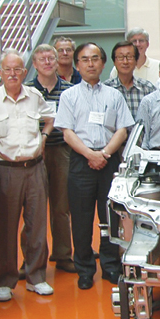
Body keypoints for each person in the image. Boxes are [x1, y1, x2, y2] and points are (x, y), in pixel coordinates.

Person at [0, 50, 55, 301]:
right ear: (0, 72)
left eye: (17, 69)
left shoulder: (34, 96)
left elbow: (50, 118)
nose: (13, 74)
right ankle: (5, 281)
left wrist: (44, 138)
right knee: (6, 227)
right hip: (4, 170)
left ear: (24, 72)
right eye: (7, 69)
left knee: (37, 225)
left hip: (35, 168)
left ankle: (36, 277)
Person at [54, 43, 134, 289]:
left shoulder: (114, 95)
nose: (90, 64)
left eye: (95, 59)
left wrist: (104, 154)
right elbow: (67, 132)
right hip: (80, 161)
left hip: (109, 161)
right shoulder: (68, 96)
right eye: (85, 59)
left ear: (102, 63)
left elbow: (122, 129)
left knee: (110, 217)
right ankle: (85, 268)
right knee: (81, 217)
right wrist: (90, 154)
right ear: (78, 64)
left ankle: (110, 265)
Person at [24, 44, 76, 274]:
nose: (47, 62)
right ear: (34, 64)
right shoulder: (26, 91)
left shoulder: (69, 90)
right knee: (32, 209)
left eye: (51, 58)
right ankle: (32, 261)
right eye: (42, 59)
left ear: (57, 62)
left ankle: (63, 254)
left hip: (62, 151)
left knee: (61, 206)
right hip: (33, 153)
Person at [104, 40, 157, 120]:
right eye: (121, 57)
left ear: (136, 61)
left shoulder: (148, 88)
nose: (125, 62)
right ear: (114, 62)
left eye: (129, 57)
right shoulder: (105, 89)